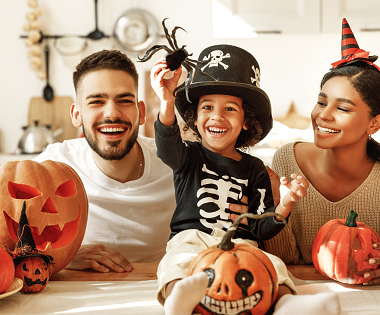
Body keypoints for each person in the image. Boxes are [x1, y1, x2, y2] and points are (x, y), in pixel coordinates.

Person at [150, 44, 340, 315]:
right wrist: (166, 103)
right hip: (191, 239)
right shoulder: (187, 155)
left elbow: (262, 227)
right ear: (195, 116)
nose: (217, 116)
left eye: (229, 109)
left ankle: (287, 304)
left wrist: (285, 203)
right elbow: (166, 148)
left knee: (273, 265)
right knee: (174, 262)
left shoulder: (255, 169)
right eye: (207, 107)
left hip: (240, 243)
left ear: (246, 121)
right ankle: (178, 299)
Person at [264, 18, 380, 285]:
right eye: (321, 102)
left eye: (342, 108)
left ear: (374, 123)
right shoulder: (287, 159)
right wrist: (275, 208)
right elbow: (286, 261)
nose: (323, 116)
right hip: (315, 305)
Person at [34, 49, 250, 274]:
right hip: (81, 291)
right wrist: (63, 255)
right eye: (97, 101)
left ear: (141, 112)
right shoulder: (53, 165)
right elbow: (2, 237)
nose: (112, 113)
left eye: (124, 100)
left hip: (162, 285)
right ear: (76, 115)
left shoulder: (180, 161)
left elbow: (239, 197)